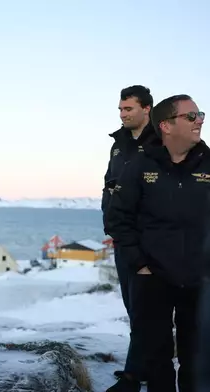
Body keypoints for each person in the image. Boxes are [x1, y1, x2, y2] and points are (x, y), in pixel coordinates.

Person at [106, 94, 206, 392]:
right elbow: (117, 217)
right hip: (153, 277)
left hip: (200, 279)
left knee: (197, 357)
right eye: (191, 116)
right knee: (157, 357)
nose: (199, 120)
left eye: (200, 114)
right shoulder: (140, 164)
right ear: (165, 125)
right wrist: (139, 263)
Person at [101, 85, 159, 392]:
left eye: (129, 109)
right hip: (123, 238)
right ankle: (142, 365)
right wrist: (109, 223)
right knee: (132, 307)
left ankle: (134, 376)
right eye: (121, 110)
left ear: (147, 109)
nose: (123, 115)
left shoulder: (161, 143)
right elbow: (109, 183)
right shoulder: (119, 143)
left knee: (144, 308)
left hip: (149, 240)